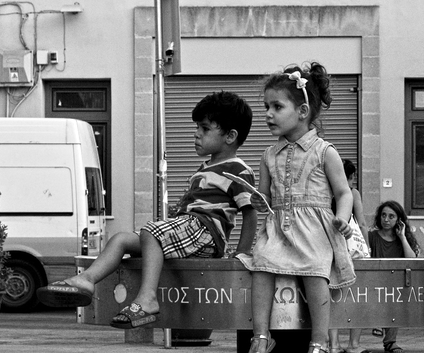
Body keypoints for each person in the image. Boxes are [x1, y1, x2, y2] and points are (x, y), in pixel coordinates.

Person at [35, 91, 258, 328]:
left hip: (205, 232)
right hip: (188, 229)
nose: (196, 133)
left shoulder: (237, 170)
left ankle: (147, 299)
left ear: (230, 136)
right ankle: (86, 280)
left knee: (151, 232)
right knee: (121, 239)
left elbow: (250, 212)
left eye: (204, 128)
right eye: (197, 127)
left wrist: (241, 253)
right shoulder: (205, 167)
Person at [238, 62, 355, 353]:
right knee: (261, 264)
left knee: (316, 272)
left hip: (315, 230)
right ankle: (261, 336)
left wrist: (342, 220)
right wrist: (255, 198)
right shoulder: (268, 155)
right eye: (266, 107)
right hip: (279, 227)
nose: (268, 114)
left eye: (277, 106)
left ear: (302, 110)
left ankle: (319, 343)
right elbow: (263, 197)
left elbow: (343, 193)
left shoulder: (324, 152)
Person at [328, 159, 375, 353]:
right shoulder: (351, 193)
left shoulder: (323, 191)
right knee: (358, 295)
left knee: (333, 296)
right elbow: (362, 223)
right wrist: (367, 248)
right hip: (350, 249)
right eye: (352, 176)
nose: (354, 180)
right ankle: (354, 344)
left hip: (328, 248)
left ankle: (333, 345)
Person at [368, 200, 419, 353]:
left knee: (396, 293)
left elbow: (412, 260)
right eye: (383, 215)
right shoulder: (371, 236)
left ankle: (390, 341)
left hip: (394, 283)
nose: (386, 220)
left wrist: (402, 237)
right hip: (373, 280)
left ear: (399, 220)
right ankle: (379, 323)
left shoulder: (402, 240)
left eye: (391, 216)